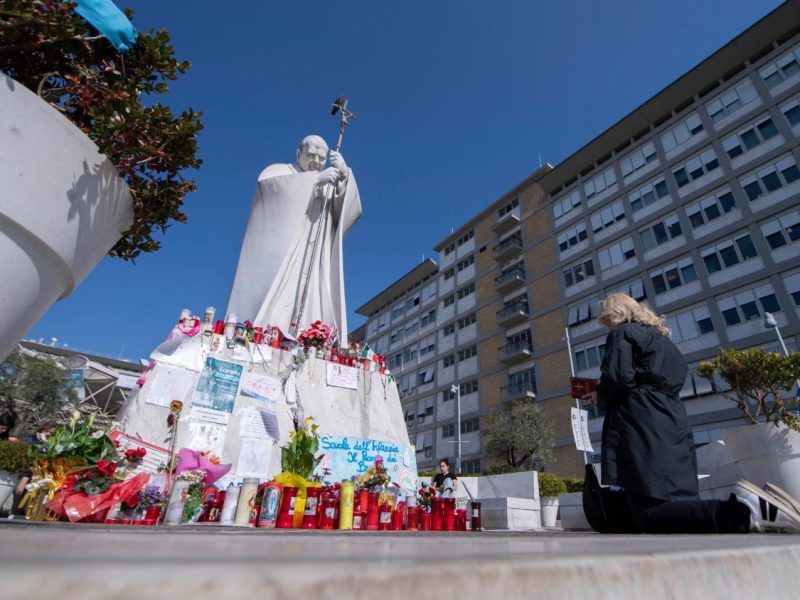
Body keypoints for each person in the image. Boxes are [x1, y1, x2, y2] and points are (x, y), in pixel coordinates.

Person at [582, 293, 757, 533]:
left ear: (614, 314)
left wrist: (600, 395)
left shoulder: (623, 333)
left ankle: (738, 512)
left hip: (640, 421)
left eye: (606, 320)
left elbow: (619, 378)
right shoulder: (663, 340)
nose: (606, 326)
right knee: (676, 497)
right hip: (671, 419)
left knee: (647, 513)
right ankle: (740, 513)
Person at [226, 135, 362, 345]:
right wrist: (312, 183)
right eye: (311, 155)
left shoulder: (329, 181)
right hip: (286, 249)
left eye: (321, 157)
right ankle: (267, 332)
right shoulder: (279, 172)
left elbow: (345, 215)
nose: (316, 161)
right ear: (298, 153)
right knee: (280, 293)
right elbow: (270, 192)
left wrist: (344, 178)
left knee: (313, 297)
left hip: (315, 255)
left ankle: (311, 338)